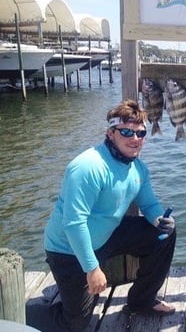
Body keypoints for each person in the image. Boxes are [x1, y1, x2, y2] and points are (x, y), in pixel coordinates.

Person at [28, 99, 176, 332]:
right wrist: (92, 268)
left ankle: (142, 301)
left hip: (107, 235)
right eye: (126, 131)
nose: (135, 139)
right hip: (68, 249)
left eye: (140, 133)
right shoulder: (88, 167)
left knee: (165, 234)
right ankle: (20, 310)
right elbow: (74, 223)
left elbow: (149, 204)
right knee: (75, 324)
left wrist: (161, 220)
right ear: (111, 133)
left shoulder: (138, 168)